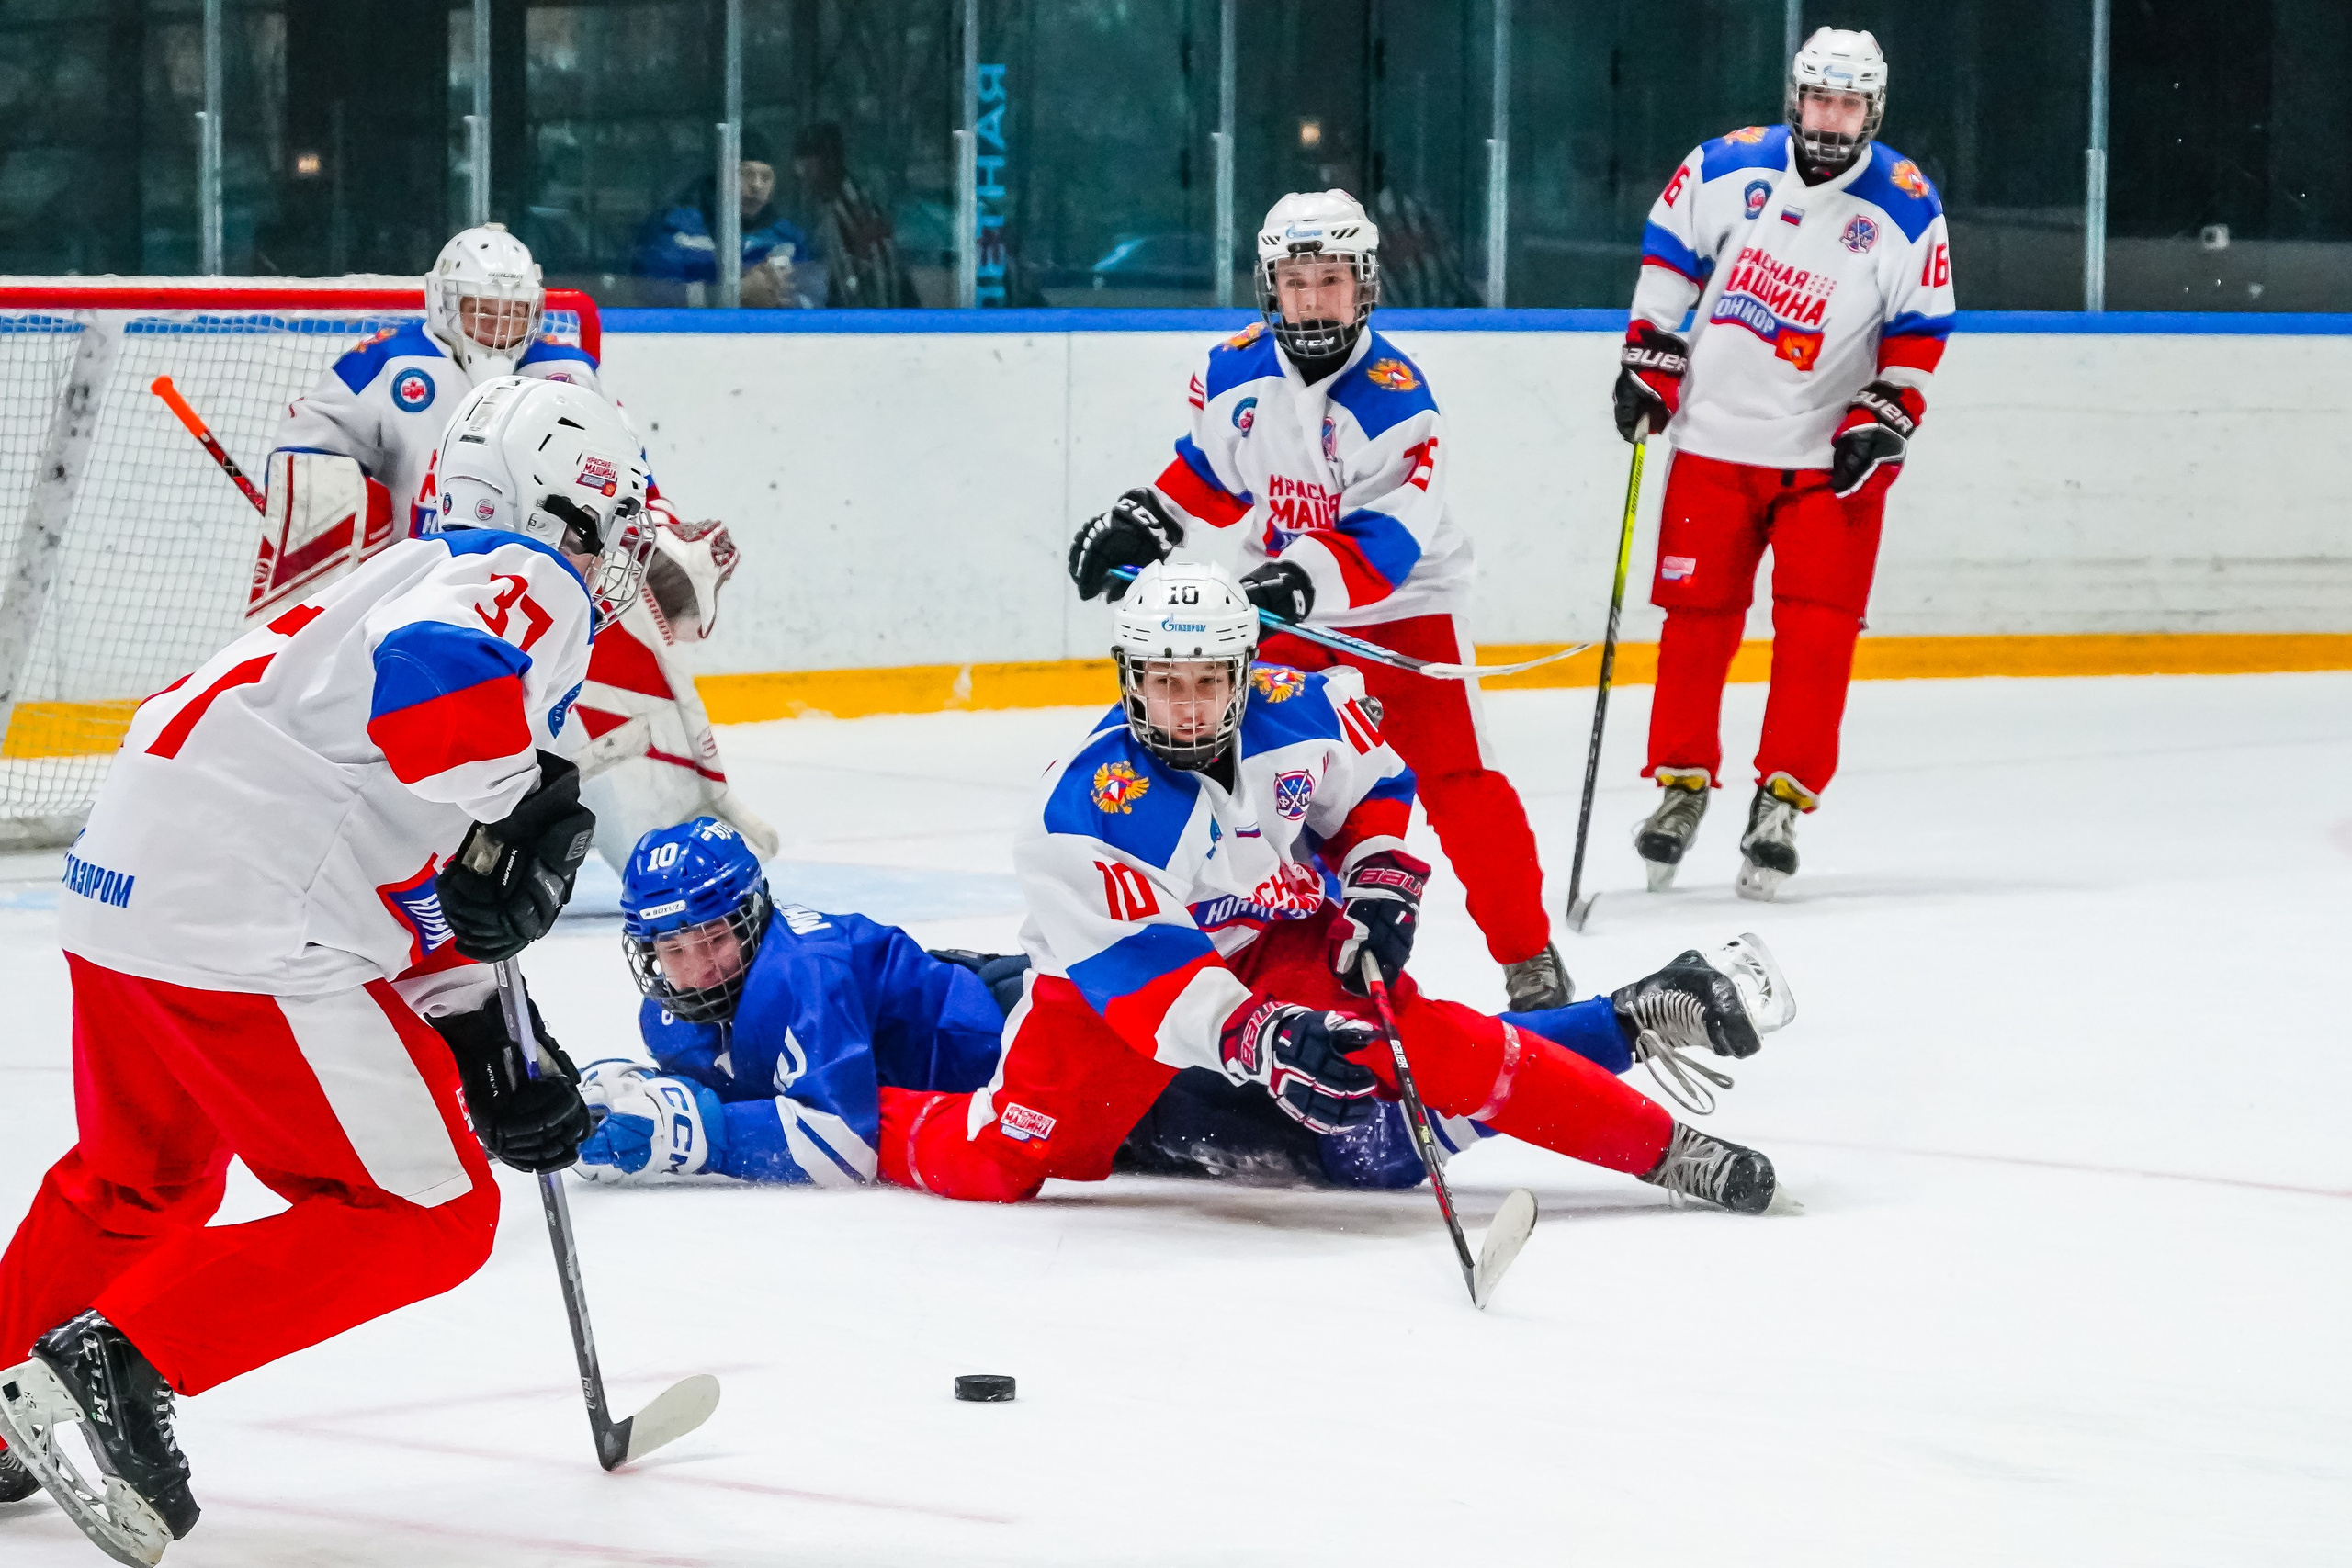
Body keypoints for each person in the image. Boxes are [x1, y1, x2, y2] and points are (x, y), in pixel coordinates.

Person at [0, 377, 648, 1559]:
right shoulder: (525, 579)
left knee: (140, 1179)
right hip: (246, 917)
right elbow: (440, 681)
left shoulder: (381, 575)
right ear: (578, 504)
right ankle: (118, 1359)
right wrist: (516, 803)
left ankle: (0, 1393)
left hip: (123, 893)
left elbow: (413, 876)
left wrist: (495, 1047)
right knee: (429, 1214)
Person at [876, 560, 1782, 1215]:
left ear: (1243, 673)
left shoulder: (1298, 705)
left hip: (1275, 935)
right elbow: (1149, 977)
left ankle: (1669, 1152)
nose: (1188, 707)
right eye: (1164, 684)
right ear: (1128, 680)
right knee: (1008, 1162)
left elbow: (1374, 790)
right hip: (1111, 996)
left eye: (1208, 682)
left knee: (1418, 1044)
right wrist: (1259, 1035)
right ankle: (841, 1118)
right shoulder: (1081, 811)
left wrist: (1379, 881)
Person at [581, 817, 1790, 1193]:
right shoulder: (689, 1006)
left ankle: (1640, 1019)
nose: (692, 966)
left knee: (1352, 1137)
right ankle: (1647, 1009)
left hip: (1055, 1063)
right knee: (1356, 1090)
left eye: (709, 936)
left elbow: (841, 1138)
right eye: (668, 948)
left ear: (753, 917)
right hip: (1037, 1048)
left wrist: (693, 1134)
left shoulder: (793, 969)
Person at [1067, 190, 1571, 1011]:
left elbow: (1384, 544)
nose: (1312, 299)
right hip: (1278, 609)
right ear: (1270, 286)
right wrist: (1146, 517)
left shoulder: (1397, 397)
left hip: (1403, 606)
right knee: (1258, 774)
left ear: (1364, 284)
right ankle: (1286, 949)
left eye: (1331, 279)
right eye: (1296, 281)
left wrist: (1297, 575)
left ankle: (1528, 954)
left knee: (1458, 783)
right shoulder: (1231, 371)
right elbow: (1211, 474)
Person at [265, 221, 776, 870]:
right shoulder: (388, 364)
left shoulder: (564, 369)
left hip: (538, 595)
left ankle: (660, 848)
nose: (500, 329)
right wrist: (323, 500)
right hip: (422, 606)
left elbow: (628, 472)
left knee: (598, 704)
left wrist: (665, 534)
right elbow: (308, 452)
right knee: (420, 749)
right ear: (446, 305)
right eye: (483, 310)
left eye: (516, 314)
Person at [1613, 28, 1956, 899]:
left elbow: (1919, 329)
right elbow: (1668, 261)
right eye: (1819, 99)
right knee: (1695, 623)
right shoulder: (1724, 166)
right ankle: (1681, 787)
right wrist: (1649, 353)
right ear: (1794, 97)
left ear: (1872, 109)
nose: (1831, 119)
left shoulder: (1906, 202)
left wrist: (1887, 411)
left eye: (1848, 104)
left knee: (1817, 635)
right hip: (1713, 445)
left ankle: (1782, 801)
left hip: (1824, 463)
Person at [632, 131, 812, 308]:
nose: (757, 185)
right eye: (746, 174)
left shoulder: (789, 239)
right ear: (722, 177)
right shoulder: (679, 228)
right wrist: (735, 293)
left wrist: (780, 298)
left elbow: (815, 299)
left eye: (766, 177)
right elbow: (651, 293)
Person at [790, 123, 918, 309]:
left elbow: (877, 261)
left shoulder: (863, 204)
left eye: (810, 164)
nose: (803, 174)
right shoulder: (817, 210)